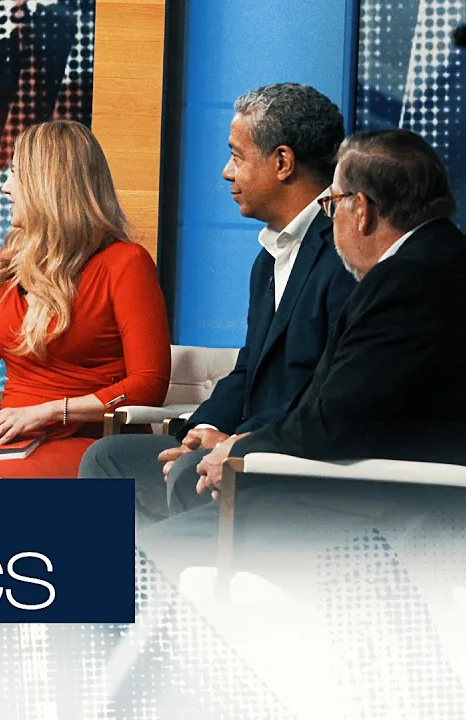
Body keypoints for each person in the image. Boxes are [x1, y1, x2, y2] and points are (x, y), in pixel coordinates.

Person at [140, 129, 466, 583]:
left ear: (360, 209)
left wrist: (238, 449)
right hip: (367, 489)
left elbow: (331, 423)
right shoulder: (451, 259)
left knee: (134, 560)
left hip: (375, 514)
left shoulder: (406, 281)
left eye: (332, 204)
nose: (331, 218)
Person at [79, 83, 357, 521]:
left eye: (237, 156)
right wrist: (202, 429)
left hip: (288, 459)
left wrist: (235, 442)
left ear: (282, 162)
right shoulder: (269, 257)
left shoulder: (346, 255)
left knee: (184, 472)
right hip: (239, 444)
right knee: (109, 458)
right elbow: (248, 370)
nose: (227, 172)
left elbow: (324, 392)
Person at [0, 119, 171, 478]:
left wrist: (47, 412)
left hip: (89, 441)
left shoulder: (126, 263)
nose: (5, 187)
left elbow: (148, 385)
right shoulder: (6, 265)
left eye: (15, 175)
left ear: (48, 185)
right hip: (6, 436)